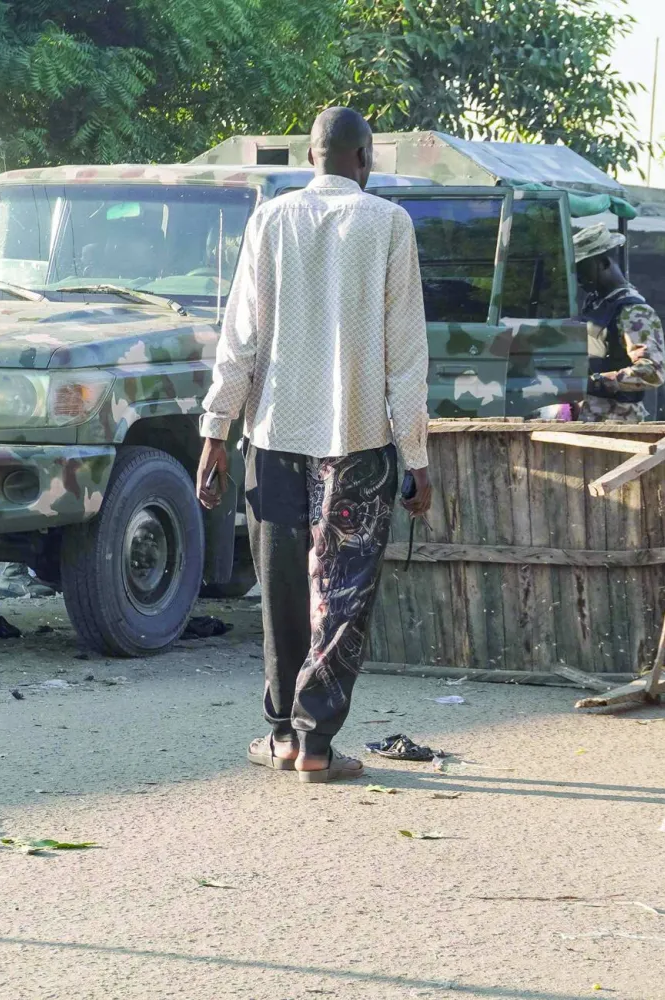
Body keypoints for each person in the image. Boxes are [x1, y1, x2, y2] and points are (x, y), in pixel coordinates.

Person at [195, 107, 432, 783]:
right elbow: (406, 356)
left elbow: (238, 339)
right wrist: (415, 459)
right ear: (366, 160)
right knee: (343, 592)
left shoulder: (270, 219)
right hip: (356, 444)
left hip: (273, 435)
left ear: (311, 156)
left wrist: (215, 432)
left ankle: (281, 735)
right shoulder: (389, 224)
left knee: (282, 590)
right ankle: (316, 741)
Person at [573, 224, 665, 423]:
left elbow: (652, 371)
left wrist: (598, 382)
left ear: (604, 263)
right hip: (589, 418)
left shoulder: (633, 311)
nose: (578, 278)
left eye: (582, 269)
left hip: (617, 421)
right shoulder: (596, 304)